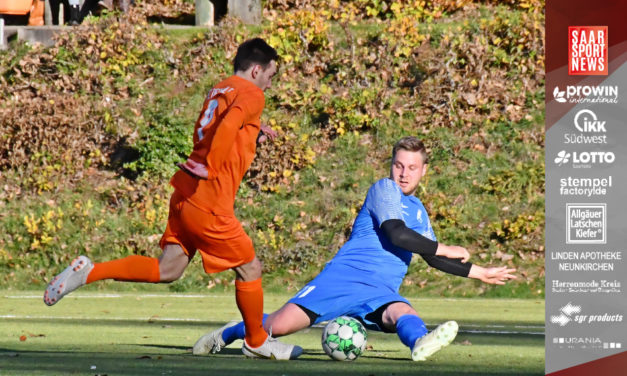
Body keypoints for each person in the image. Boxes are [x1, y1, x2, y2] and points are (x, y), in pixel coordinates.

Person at [43, 38, 301, 361]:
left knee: (168, 269)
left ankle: (90, 271)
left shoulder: (221, 88)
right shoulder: (253, 93)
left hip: (184, 195)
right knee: (250, 267)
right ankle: (256, 340)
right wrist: (212, 165)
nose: (270, 83)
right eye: (271, 75)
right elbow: (228, 127)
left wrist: (254, 129)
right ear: (257, 69)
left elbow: (222, 125)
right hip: (209, 201)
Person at [193, 136, 517, 361]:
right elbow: (397, 234)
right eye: (399, 165)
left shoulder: (417, 207)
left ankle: (420, 342)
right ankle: (232, 331)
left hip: (381, 289)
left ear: (424, 171)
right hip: (343, 279)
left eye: (412, 168)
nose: (403, 173)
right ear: (391, 165)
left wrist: (480, 272)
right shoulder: (384, 189)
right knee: (275, 326)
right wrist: (446, 246)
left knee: (401, 312)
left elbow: (432, 258)